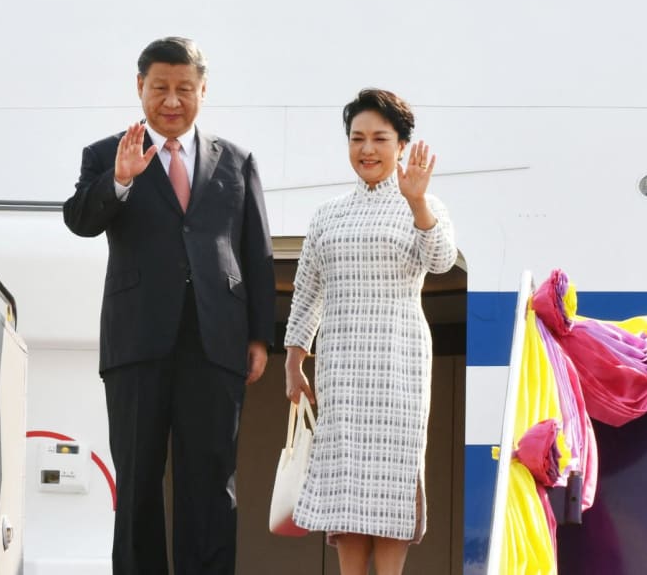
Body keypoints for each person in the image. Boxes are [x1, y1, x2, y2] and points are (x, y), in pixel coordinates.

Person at [63, 36, 276, 575]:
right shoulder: (106, 153)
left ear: (204, 90)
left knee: (211, 484)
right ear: (140, 88)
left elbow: (256, 253)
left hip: (215, 343)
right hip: (138, 344)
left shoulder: (237, 159)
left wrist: (258, 336)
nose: (173, 99)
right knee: (136, 483)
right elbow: (80, 220)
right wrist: (120, 179)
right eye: (161, 88)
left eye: (185, 88)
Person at [283, 88, 457, 575]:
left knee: (391, 485)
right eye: (357, 138)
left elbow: (441, 260)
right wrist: (294, 360)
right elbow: (307, 290)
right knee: (346, 485)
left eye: (380, 138)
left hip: (399, 364)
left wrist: (417, 201)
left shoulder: (425, 205)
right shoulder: (327, 214)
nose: (367, 148)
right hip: (340, 363)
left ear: (401, 145)